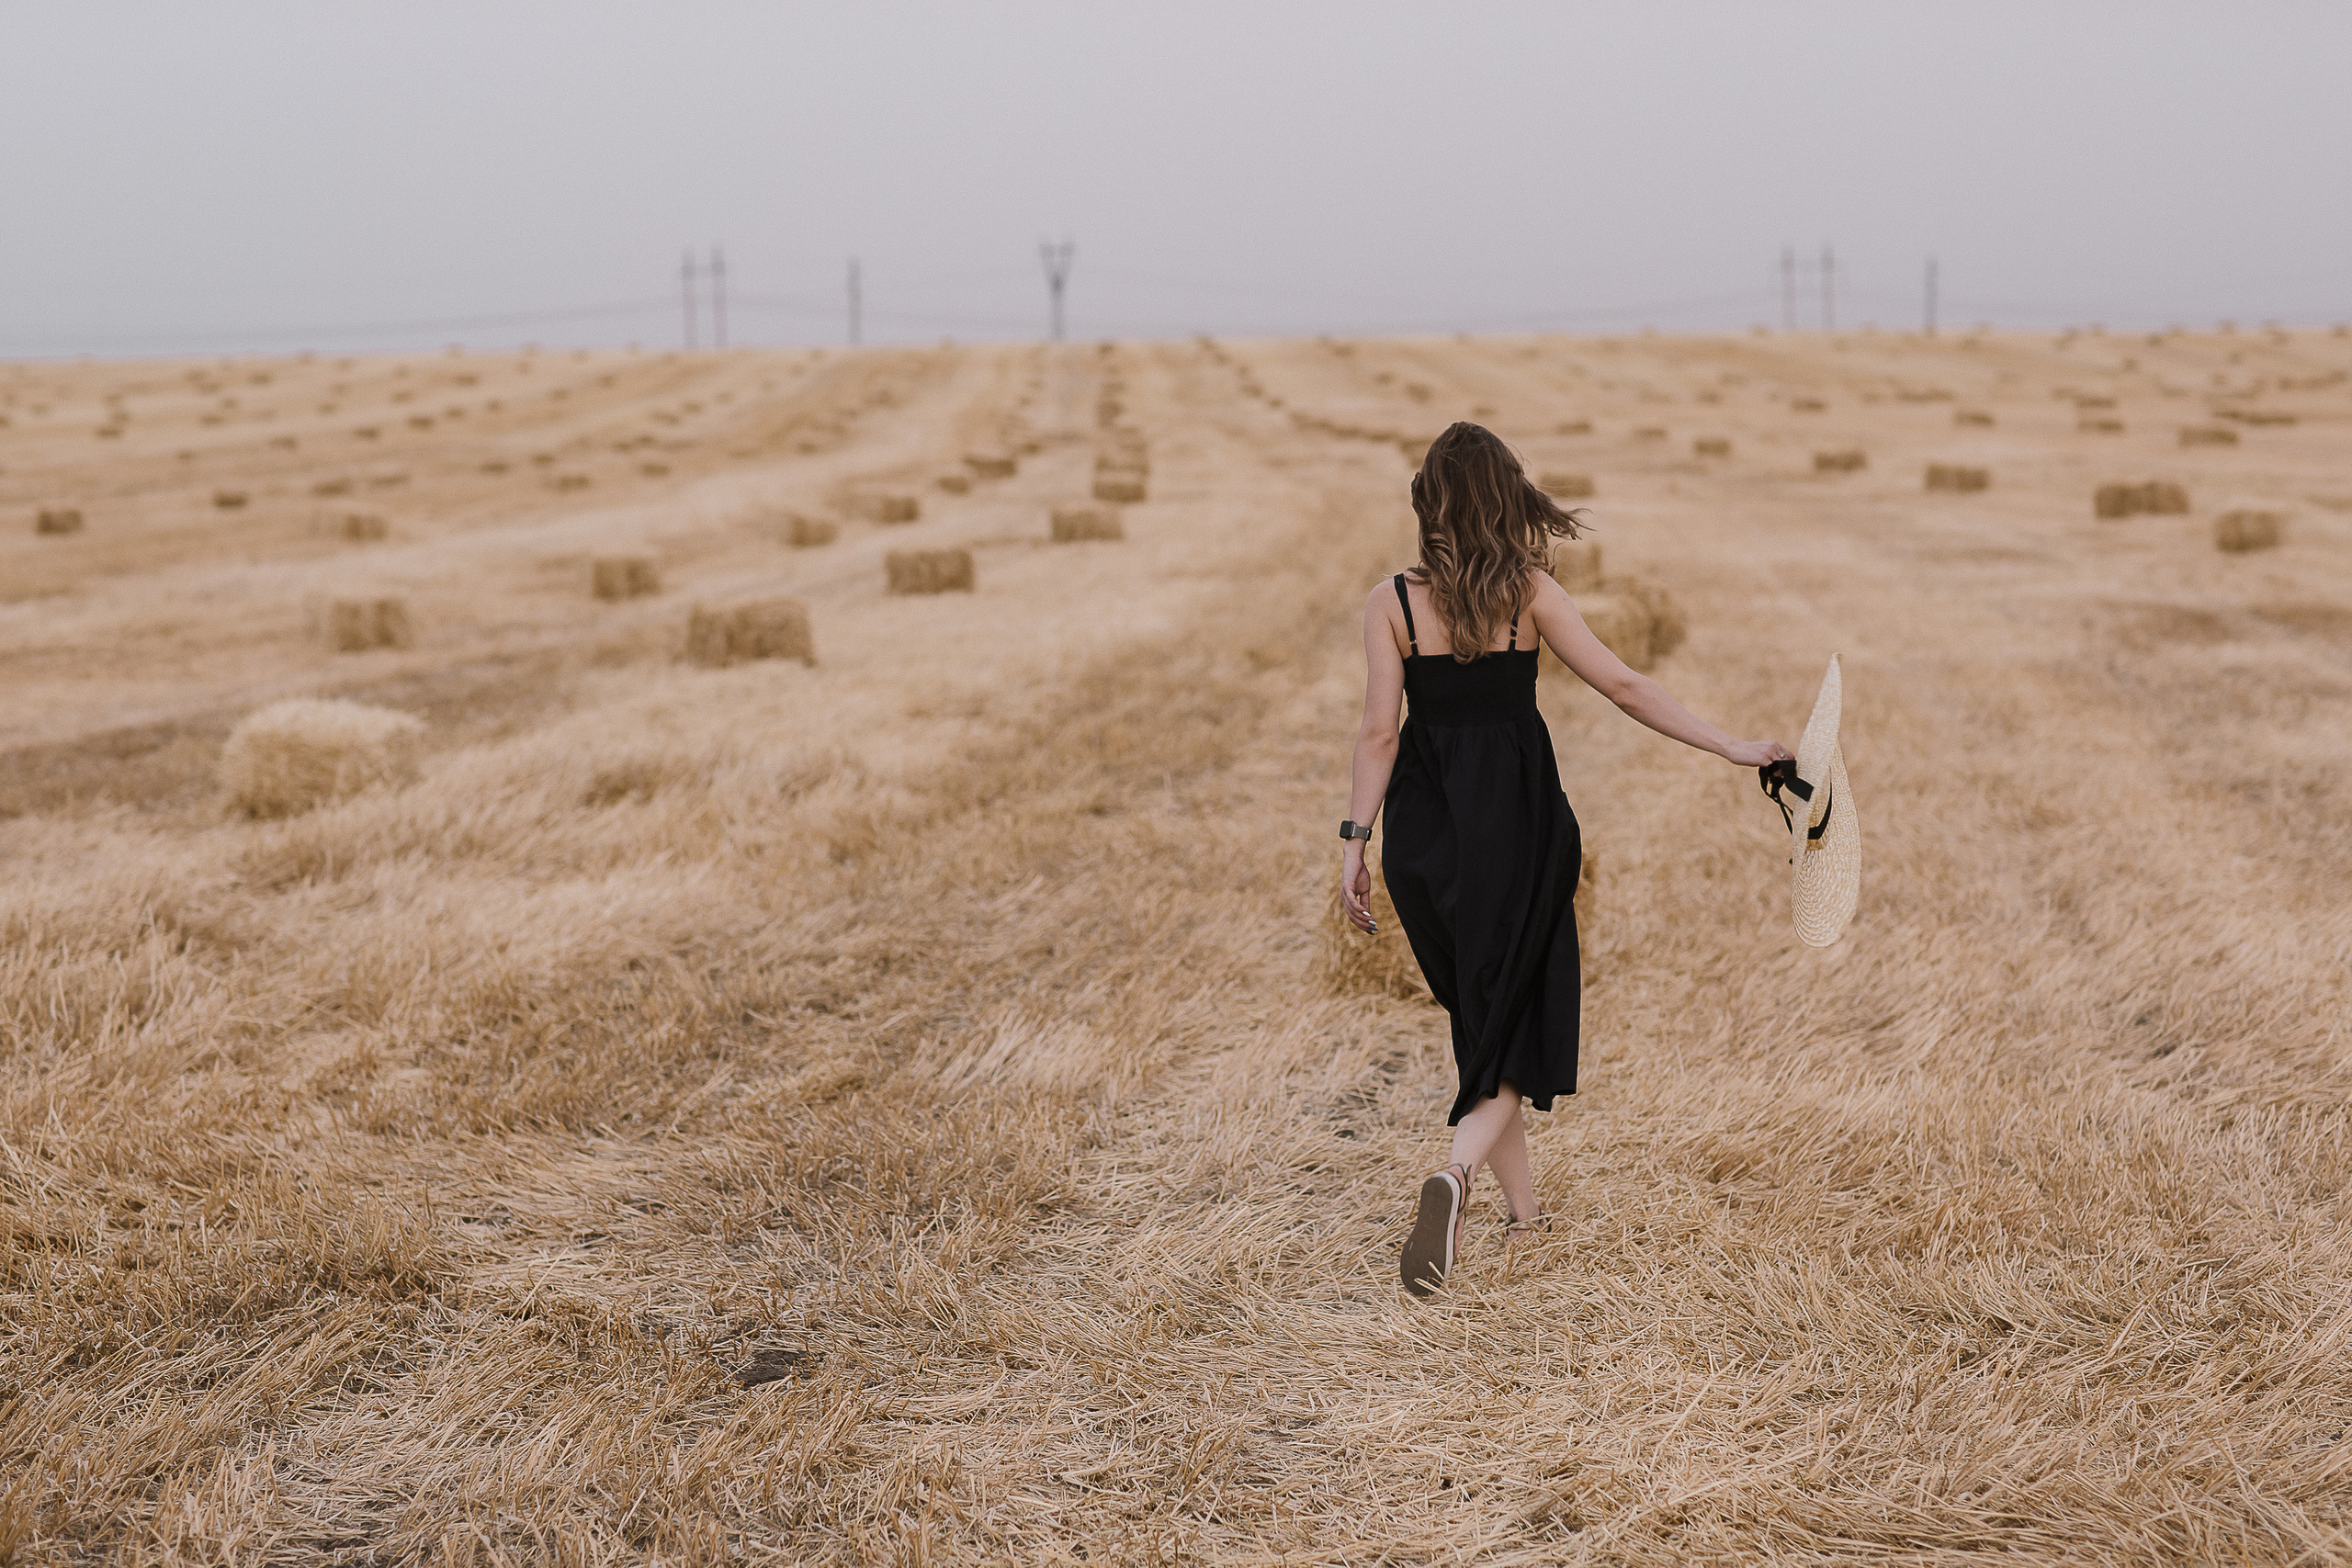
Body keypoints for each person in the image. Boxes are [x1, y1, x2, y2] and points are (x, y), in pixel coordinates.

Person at [1338, 422, 1791, 1297]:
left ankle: (1525, 1216)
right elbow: (1626, 686)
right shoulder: (1528, 594)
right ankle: (1454, 1177)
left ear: (1429, 504)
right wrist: (1733, 746)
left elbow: (1378, 733)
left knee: (1485, 1018)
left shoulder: (1390, 602)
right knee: (1517, 1027)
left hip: (1424, 837)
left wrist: (1355, 845)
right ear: (1508, 500)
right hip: (1521, 827)